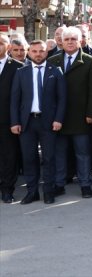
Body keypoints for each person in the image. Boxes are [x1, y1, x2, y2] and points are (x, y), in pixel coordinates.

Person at [10, 40, 67, 204]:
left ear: (46, 52)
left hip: (48, 122)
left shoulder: (55, 71)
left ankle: (48, 192)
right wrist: (15, 122)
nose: (38, 54)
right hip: (27, 122)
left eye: (41, 51)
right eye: (34, 51)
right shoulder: (22, 72)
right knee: (29, 158)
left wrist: (58, 119)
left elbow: (62, 99)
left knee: (49, 158)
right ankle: (32, 191)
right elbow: (15, 100)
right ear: (29, 53)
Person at [48, 26, 92, 198]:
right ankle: (59, 183)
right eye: (67, 39)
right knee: (60, 153)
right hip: (58, 117)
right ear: (61, 41)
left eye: (73, 39)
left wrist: (91, 113)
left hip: (81, 116)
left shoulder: (91, 61)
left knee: (83, 153)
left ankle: (85, 184)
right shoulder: (53, 60)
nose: (70, 42)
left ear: (80, 41)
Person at [0, 34, 24, 202]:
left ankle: (7, 189)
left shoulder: (17, 67)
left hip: (8, 120)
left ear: (8, 47)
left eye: (1, 44)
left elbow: (21, 97)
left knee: (9, 156)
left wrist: (16, 121)